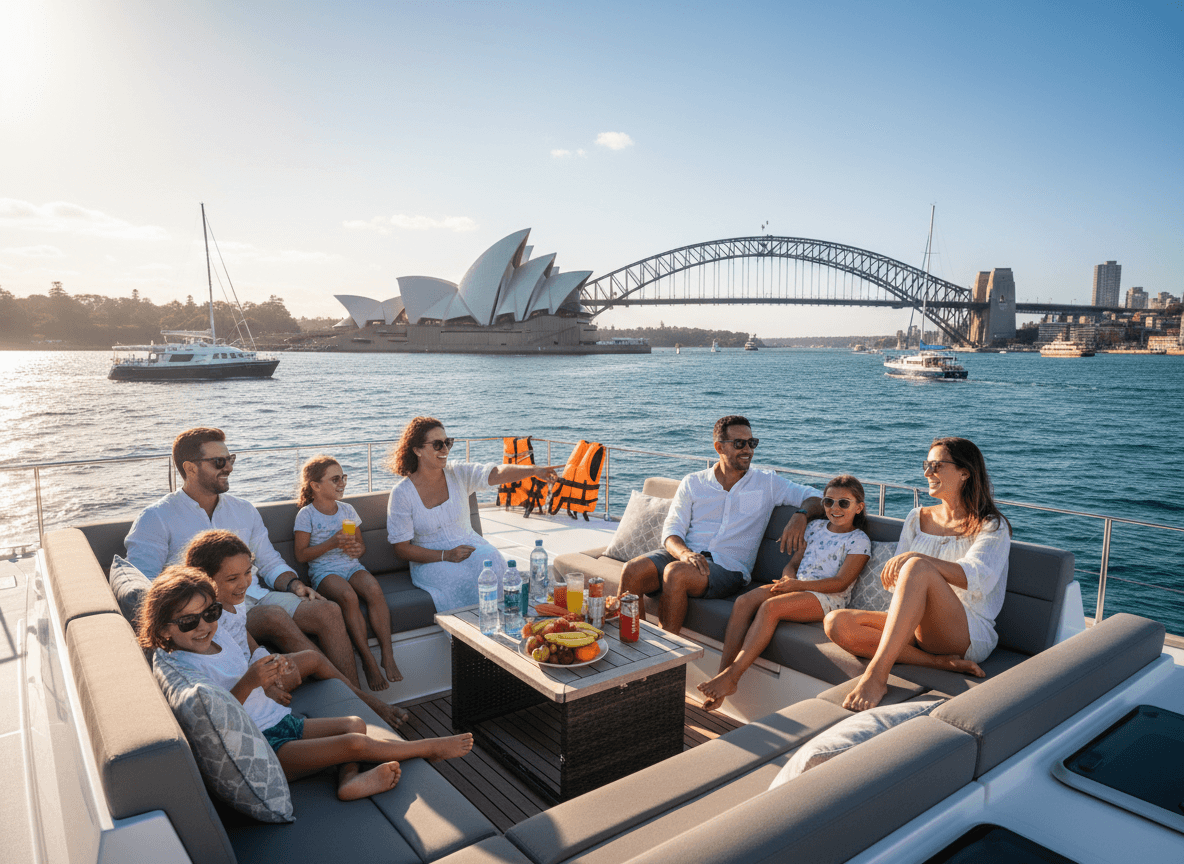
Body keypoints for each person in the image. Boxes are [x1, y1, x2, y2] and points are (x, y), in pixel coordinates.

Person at [125, 427, 406, 729]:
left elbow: (270, 560)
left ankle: (354, 701)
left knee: (328, 609)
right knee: (273, 616)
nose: (229, 467)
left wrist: (296, 584)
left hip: (257, 593)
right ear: (190, 468)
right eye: (219, 462)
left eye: (230, 458)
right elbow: (147, 586)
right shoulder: (156, 518)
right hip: (214, 612)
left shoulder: (244, 510)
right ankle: (363, 710)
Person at [139, 566, 473, 802]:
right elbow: (219, 713)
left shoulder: (219, 632)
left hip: (280, 721)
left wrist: (268, 673)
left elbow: (247, 660)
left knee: (355, 723)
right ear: (164, 629)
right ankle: (428, 749)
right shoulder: (184, 666)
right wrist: (250, 681)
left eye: (209, 612)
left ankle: (348, 781)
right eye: (188, 621)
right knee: (355, 743)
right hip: (268, 748)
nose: (203, 626)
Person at [824, 437, 1012, 712]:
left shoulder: (991, 525)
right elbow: (896, 583)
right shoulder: (917, 517)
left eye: (937, 466)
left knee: (917, 566)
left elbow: (978, 577)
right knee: (835, 622)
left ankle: (877, 675)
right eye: (927, 465)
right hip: (917, 626)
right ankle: (939, 662)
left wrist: (919, 561)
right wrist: (913, 567)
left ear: (964, 472)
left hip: (966, 632)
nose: (927, 473)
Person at [616, 415, 824, 635]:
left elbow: (817, 496)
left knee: (676, 573)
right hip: (685, 556)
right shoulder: (694, 482)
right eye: (739, 443)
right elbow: (672, 531)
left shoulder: (768, 483)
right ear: (719, 447)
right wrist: (685, 554)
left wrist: (800, 515)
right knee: (632, 570)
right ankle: (631, 645)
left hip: (729, 568)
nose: (748, 449)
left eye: (752, 443)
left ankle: (666, 658)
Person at [698, 474, 872, 711]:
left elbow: (840, 583)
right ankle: (723, 674)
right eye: (828, 502)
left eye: (844, 503)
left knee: (771, 607)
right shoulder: (815, 528)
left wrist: (797, 586)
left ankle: (733, 676)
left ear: (859, 507)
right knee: (744, 601)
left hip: (827, 599)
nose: (835, 508)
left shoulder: (858, 540)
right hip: (797, 586)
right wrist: (789, 577)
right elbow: (794, 563)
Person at [386, 417, 560, 612]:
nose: (445, 450)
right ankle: (469, 634)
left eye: (447, 442)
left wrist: (534, 470)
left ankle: (510, 621)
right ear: (417, 450)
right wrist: (446, 555)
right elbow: (401, 549)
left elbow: (496, 473)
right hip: (432, 561)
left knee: (493, 560)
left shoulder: (458, 473)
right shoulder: (402, 493)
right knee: (459, 578)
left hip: (470, 547)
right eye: (437, 444)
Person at [295, 455, 401, 690]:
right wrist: (331, 544)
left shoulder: (348, 510)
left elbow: (360, 547)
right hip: (324, 571)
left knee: (374, 589)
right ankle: (368, 660)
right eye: (335, 479)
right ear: (315, 485)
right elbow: (302, 554)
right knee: (348, 596)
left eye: (343, 477)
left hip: (350, 566)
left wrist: (356, 549)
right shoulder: (307, 515)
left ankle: (387, 653)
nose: (342, 483)